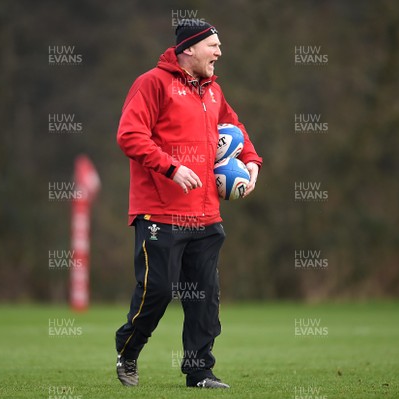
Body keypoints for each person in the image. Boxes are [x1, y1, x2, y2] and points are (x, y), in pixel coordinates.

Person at [115, 19, 262, 389]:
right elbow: (129, 135)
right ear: (189, 49)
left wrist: (252, 162)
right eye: (213, 45)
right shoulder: (152, 83)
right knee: (159, 289)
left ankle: (199, 372)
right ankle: (128, 351)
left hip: (206, 213)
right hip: (159, 211)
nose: (219, 52)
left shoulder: (213, 91)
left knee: (204, 298)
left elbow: (236, 129)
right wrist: (171, 167)